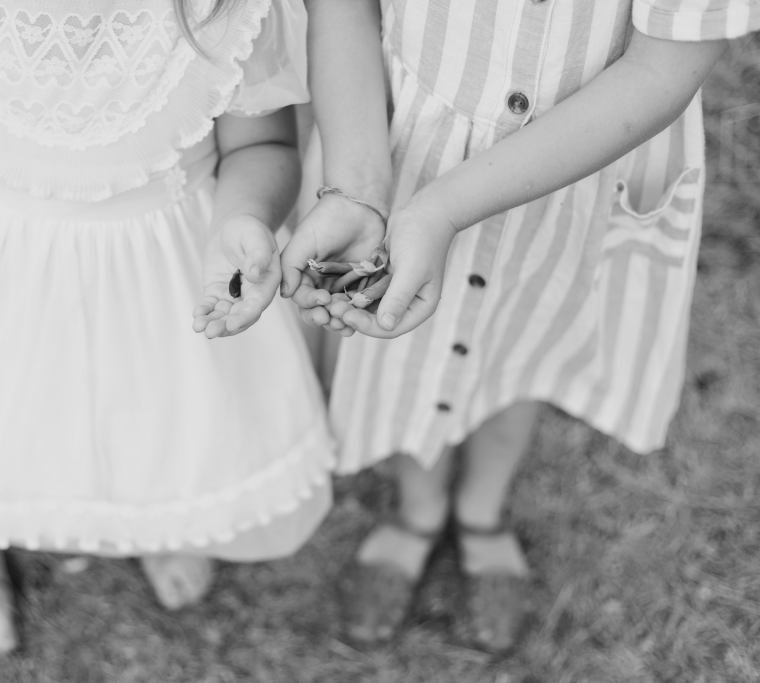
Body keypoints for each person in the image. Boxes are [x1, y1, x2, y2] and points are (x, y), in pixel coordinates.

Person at [0, 0, 335, 656]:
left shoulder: (219, 10)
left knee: (159, 418)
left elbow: (261, 143)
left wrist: (246, 215)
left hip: (169, 276)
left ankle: (153, 518)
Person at [283, 0, 759, 650]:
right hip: (401, 148)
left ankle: (482, 506)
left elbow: (660, 71)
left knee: (525, 339)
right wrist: (360, 189)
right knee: (401, 354)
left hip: (575, 162)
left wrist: (446, 210)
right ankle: (418, 508)